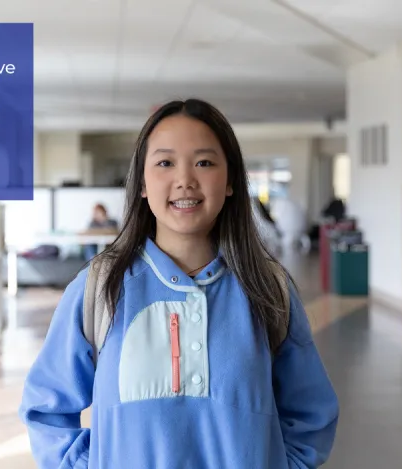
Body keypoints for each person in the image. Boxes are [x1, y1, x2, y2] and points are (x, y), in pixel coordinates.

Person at [18, 99, 339, 469]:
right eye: (165, 163)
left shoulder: (268, 288)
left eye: (204, 162)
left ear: (231, 180)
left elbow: (312, 415)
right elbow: (46, 408)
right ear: (141, 182)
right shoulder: (100, 287)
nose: (185, 179)